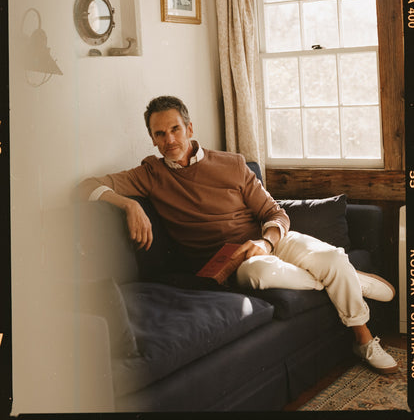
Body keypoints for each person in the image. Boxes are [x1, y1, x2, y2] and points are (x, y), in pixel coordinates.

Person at [76, 95, 398, 375]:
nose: (169, 139)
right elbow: (85, 186)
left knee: (328, 255)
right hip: (232, 263)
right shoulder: (149, 174)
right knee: (265, 273)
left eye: (174, 129)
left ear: (189, 129)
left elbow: (275, 213)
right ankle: (345, 279)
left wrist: (265, 241)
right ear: (153, 140)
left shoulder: (231, 164)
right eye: (159, 134)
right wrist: (130, 206)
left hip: (265, 239)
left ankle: (363, 339)